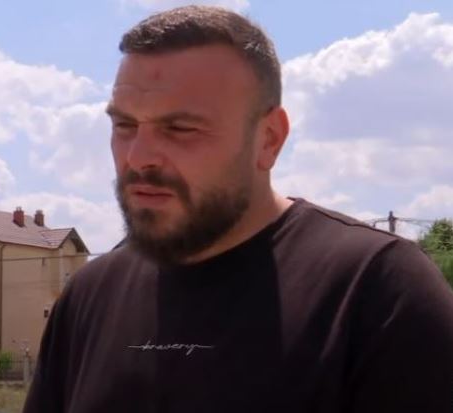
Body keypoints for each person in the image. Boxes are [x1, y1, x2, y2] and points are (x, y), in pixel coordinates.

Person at [23, 6, 453, 412]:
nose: (138, 157)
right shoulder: (89, 295)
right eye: (125, 125)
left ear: (269, 139)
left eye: (180, 128)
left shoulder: (377, 289)